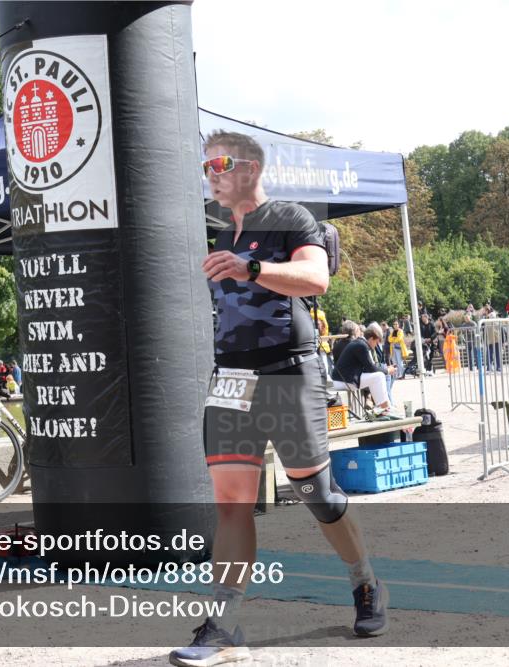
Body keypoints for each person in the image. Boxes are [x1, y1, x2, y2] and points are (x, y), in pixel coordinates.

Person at [172, 131, 387, 667]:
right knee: (231, 503)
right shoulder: (217, 231)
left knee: (317, 494)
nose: (210, 174)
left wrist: (253, 268)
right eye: (206, 166)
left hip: (289, 372)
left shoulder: (288, 218)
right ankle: (223, 625)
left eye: (218, 163)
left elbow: (316, 279)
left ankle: (366, 582)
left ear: (249, 168)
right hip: (230, 378)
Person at [333, 323, 396, 410]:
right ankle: (385, 408)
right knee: (379, 376)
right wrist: (387, 370)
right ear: (371, 339)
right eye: (376, 342)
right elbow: (371, 368)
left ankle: (383, 407)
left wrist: (385, 369)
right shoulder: (361, 346)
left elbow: (370, 367)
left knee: (377, 377)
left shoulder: (360, 343)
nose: (376, 346)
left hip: (343, 379)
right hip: (344, 381)